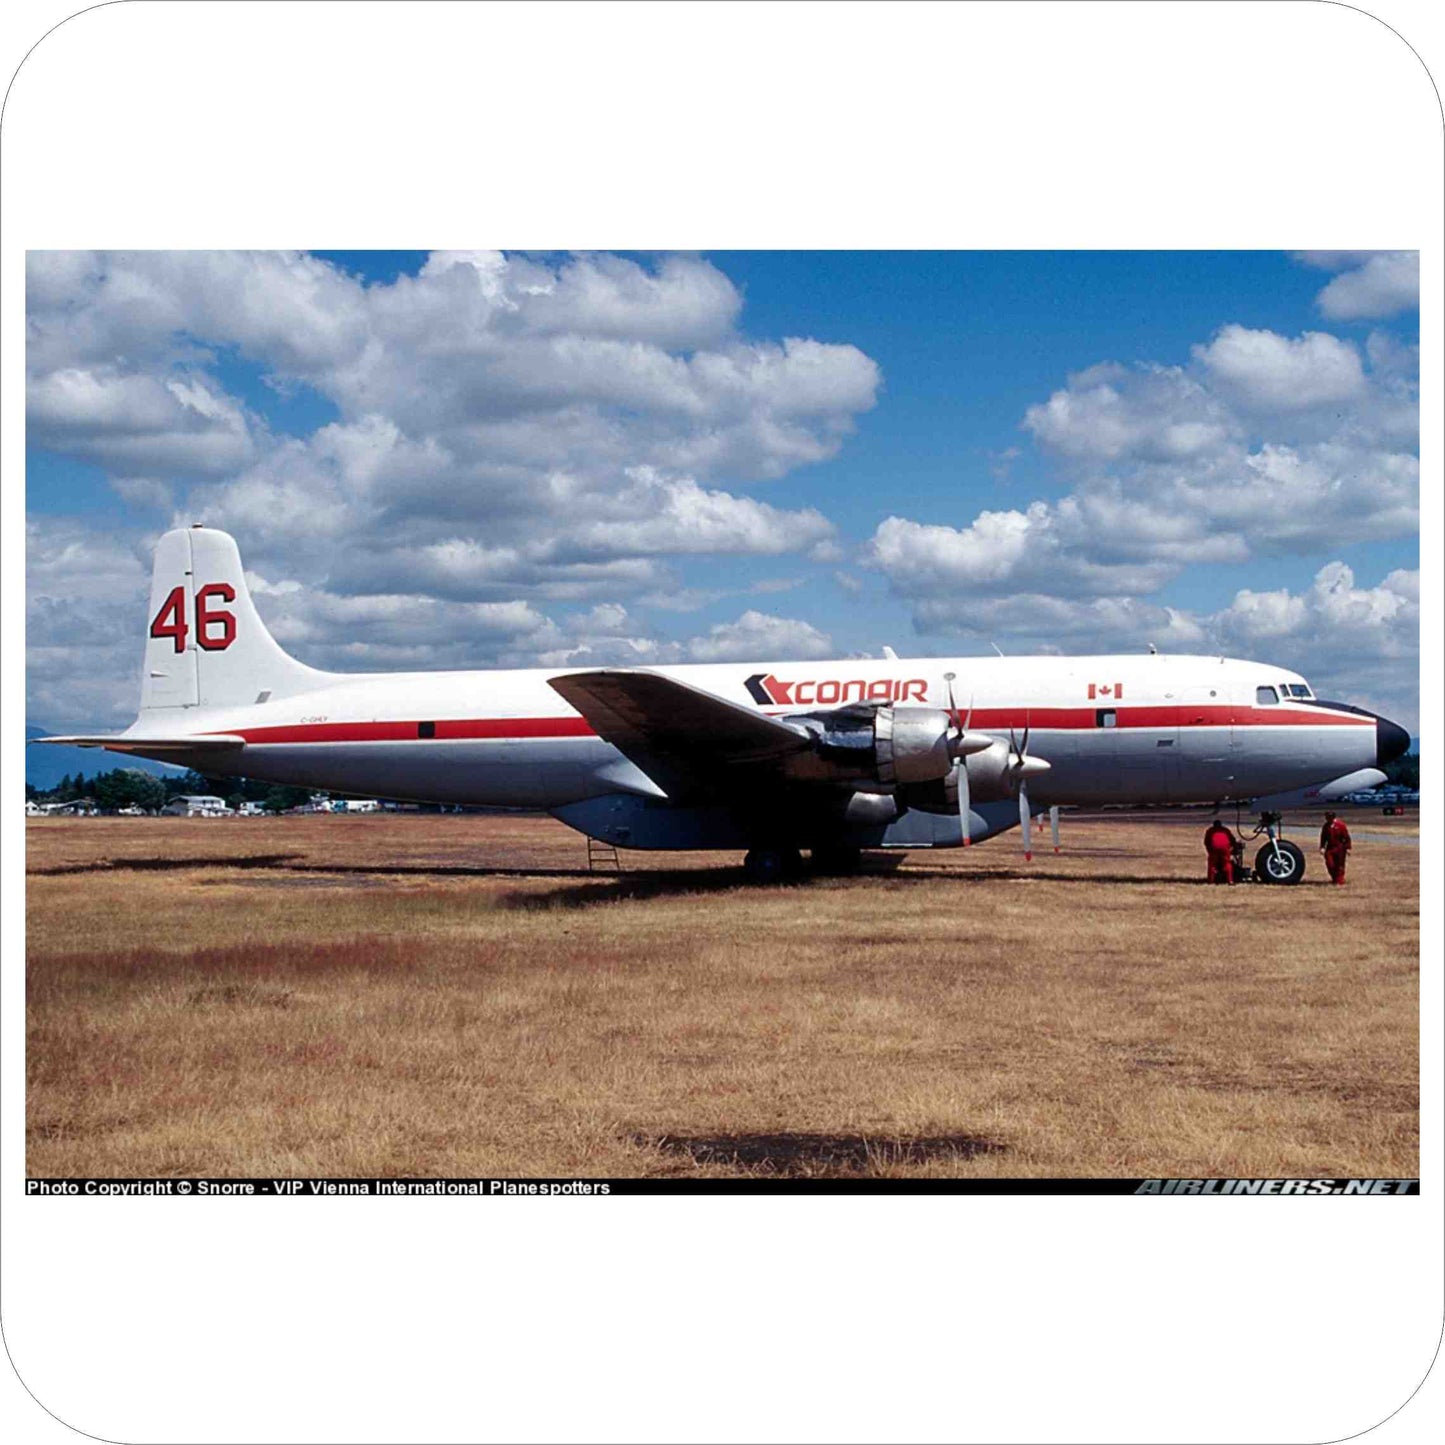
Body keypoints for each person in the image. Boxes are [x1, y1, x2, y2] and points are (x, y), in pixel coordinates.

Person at [1320, 810, 1352, 886]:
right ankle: (1334, 877)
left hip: (1340, 847)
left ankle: (1339, 880)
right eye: (1327, 817)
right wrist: (1322, 847)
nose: (1327, 819)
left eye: (1329, 817)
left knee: (1339, 864)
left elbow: (1346, 837)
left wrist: (1348, 848)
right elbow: (1323, 837)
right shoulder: (1326, 826)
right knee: (1330, 864)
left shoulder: (1340, 825)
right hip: (1330, 848)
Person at [1204, 817, 1235, 884]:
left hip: (1214, 848)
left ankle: (1211, 881)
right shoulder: (1225, 830)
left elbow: (1206, 842)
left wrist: (1209, 851)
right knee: (1227, 863)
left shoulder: (1210, 830)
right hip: (1225, 848)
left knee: (1212, 864)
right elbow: (1232, 840)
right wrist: (1232, 848)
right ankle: (1230, 880)